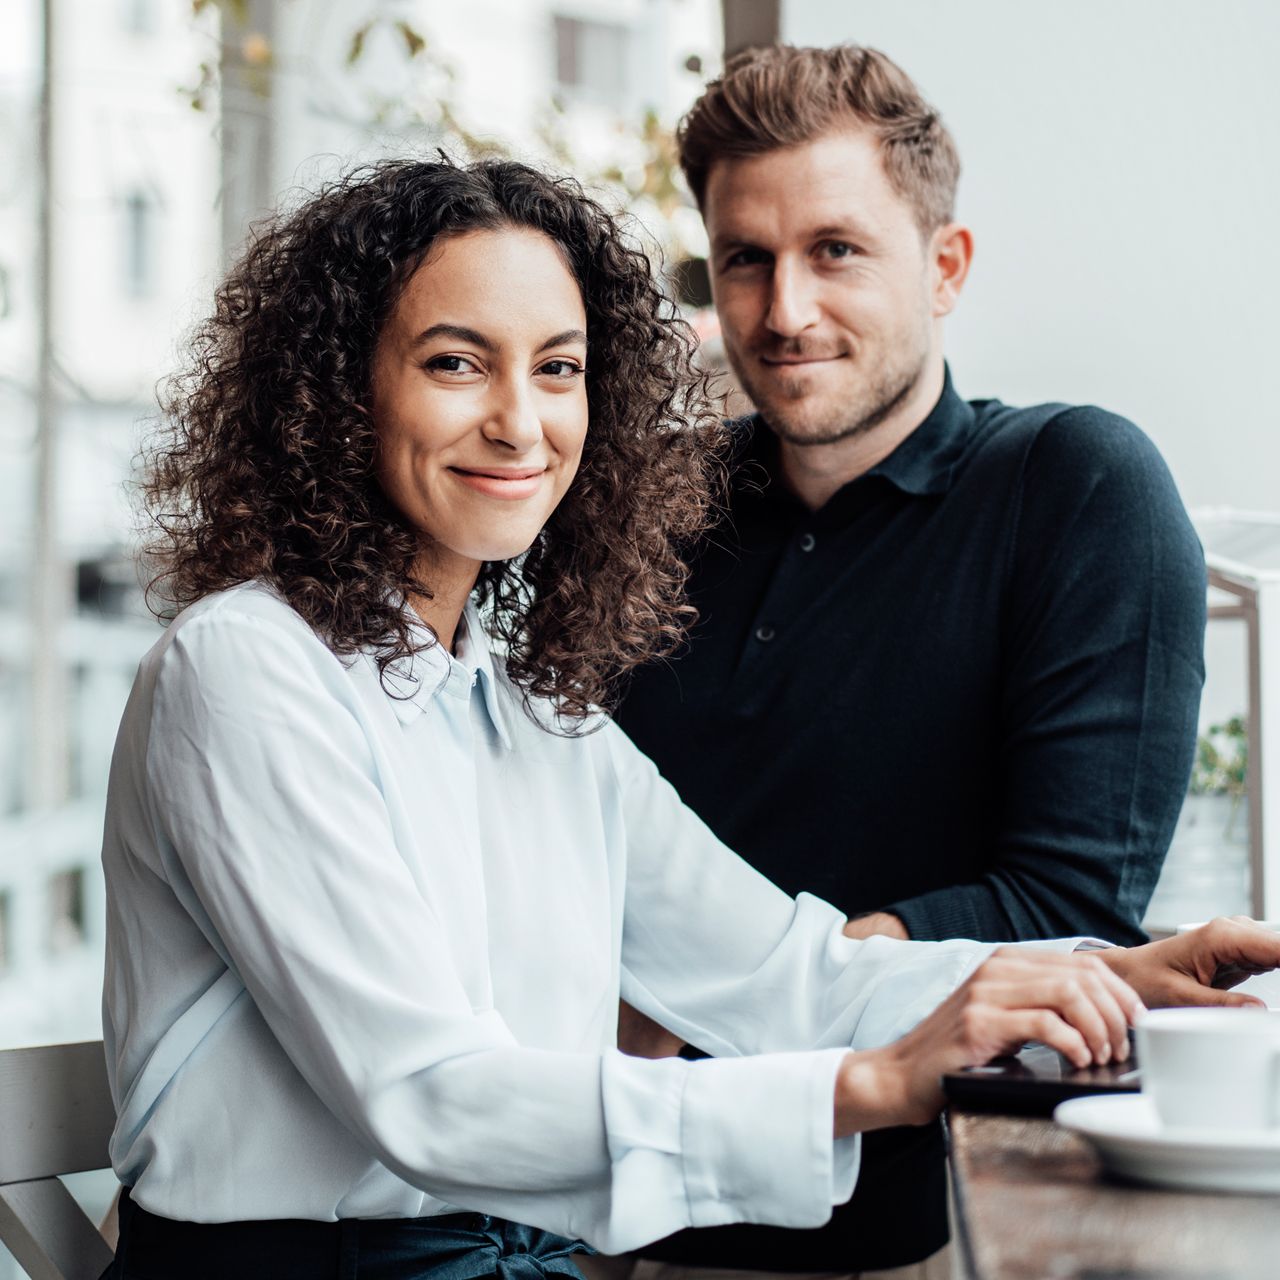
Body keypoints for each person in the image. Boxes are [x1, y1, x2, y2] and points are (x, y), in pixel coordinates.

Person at [99, 156, 1261, 1280]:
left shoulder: (529, 712)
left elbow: (783, 974)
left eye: (558, 369)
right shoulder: (243, 669)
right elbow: (429, 1094)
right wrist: (871, 1083)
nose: (520, 422)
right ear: (339, 391)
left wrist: (1102, 975)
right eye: (457, 363)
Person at [610, 44, 1209, 1280]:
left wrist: (710, 998)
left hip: (931, 1214)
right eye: (744, 260)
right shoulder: (642, 513)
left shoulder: (1074, 485)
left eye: (835, 250)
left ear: (943, 269)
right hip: (601, 1192)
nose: (783, 312)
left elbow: (1061, 911)